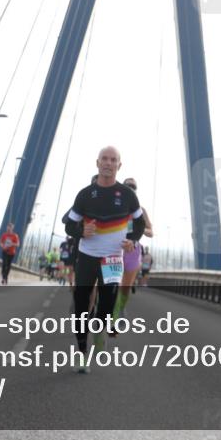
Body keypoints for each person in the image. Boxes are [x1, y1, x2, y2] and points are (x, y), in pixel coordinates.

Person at [63, 146, 147, 373]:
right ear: (97, 163)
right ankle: (81, 353)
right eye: (104, 159)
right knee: (81, 305)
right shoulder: (84, 195)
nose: (108, 163)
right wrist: (82, 230)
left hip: (113, 259)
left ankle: (99, 331)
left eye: (113, 160)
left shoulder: (128, 195)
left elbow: (139, 224)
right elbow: (69, 224)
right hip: (88, 257)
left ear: (119, 165)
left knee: (107, 305)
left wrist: (131, 239)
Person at [111, 177, 153, 331]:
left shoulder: (141, 210)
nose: (131, 188)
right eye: (128, 185)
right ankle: (112, 316)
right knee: (113, 284)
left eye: (133, 186)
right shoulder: (114, 206)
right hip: (114, 250)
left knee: (125, 287)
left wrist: (138, 231)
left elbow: (150, 232)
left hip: (133, 252)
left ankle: (121, 308)